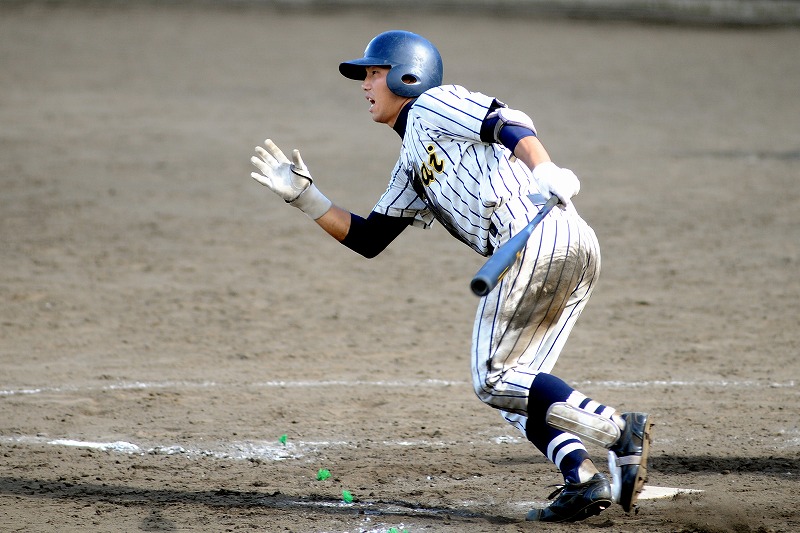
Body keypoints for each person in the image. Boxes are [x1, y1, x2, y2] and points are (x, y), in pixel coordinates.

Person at [250, 30, 652, 522]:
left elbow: (504, 120)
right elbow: (370, 239)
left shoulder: (433, 104)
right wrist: (306, 199)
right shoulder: (411, 163)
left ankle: (618, 432)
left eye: (374, 73)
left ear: (406, 74)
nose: (364, 84)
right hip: (567, 247)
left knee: (494, 379)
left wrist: (543, 167)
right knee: (517, 393)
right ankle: (582, 479)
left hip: (536, 238)